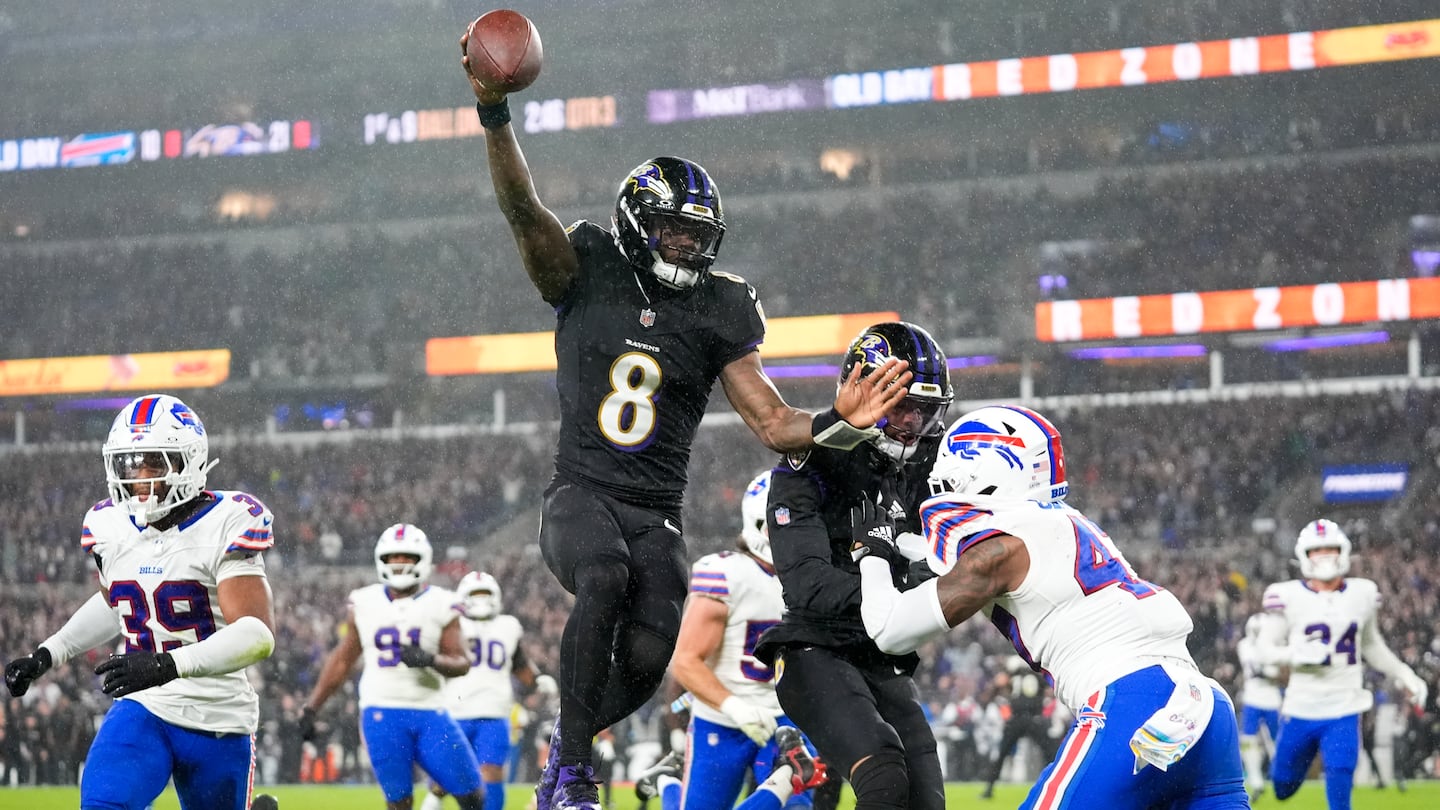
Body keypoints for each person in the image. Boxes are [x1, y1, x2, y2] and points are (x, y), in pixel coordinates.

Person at [459, 29, 912, 810]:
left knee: (650, 650)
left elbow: (773, 424)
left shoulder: (719, 306)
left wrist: (843, 419)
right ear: (639, 224)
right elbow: (520, 207)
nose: (688, 246)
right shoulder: (587, 263)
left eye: (699, 236)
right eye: (675, 231)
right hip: (581, 494)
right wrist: (493, 114)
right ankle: (572, 773)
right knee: (601, 577)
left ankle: (562, 750)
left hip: (656, 512)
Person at [853, 404, 1249, 809]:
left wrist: (872, 553)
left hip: (1135, 703)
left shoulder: (1000, 550)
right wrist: (900, 543)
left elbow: (889, 630)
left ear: (979, 472)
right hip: (1208, 708)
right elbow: (959, 562)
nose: (940, 485)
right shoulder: (1064, 523)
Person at [2, 393, 280, 810]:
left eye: (153, 462)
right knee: (103, 804)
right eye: (129, 464)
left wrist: (167, 665)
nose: (138, 477)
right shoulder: (108, 525)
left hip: (217, 716)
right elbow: (116, 603)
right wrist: (48, 654)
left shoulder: (229, 521)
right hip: (145, 707)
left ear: (189, 462)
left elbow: (257, 635)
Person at [754, 322, 954, 810]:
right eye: (900, 405)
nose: (911, 424)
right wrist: (891, 579)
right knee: (884, 778)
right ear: (861, 390)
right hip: (813, 650)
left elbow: (950, 562)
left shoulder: (926, 465)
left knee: (926, 800)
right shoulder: (809, 466)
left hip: (879, 658)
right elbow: (809, 588)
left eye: (924, 411)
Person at [638, 471, 829, 810]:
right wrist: (735, 707)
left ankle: (787, 775)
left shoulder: (818, 577)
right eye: (786, 521)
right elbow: (685, 660)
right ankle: (669, 778)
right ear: (760, 524)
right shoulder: (727, 574)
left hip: (790, 719)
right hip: (723, 720)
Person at [299, 524, 486, 810]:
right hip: (381, 712)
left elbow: (462, 662)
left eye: (407, 557)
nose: (399, 563)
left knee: (472, 795)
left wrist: (430, 660)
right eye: (393, 557)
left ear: (422, 559)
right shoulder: (364, 601)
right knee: (400, 803)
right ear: (381, 560)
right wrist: (312, 707)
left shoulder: (442, 602)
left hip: (429, 712)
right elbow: (342, 660)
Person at [1255, 519, 1428, 810]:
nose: (1324, 555)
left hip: (1344, 705)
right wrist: (1295, 654)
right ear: (1303, 555)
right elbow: (1265, 649)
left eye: (1330, 547)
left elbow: (1371, 645)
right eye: (1316, 549)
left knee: (1340, 778)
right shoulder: (1287, 595)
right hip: (1301, 706)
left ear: (1343, 550)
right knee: (1282, 786)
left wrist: (1404, 673)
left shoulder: (1362, 593)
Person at [420, 571, 557, 810]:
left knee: (491, 772)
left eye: (485, 594)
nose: (481, 600)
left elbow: (520, 664)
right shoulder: (453, 623)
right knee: (445, 773)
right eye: (475, 594)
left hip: (494, 713)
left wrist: (536, 681)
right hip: (455, 710)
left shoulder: (507, 626)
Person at [980, 656, 1057, 799]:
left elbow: (999, 685)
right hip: (1034, 718)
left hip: (1017, 719)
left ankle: (989, 788)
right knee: (1050, 752)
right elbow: (1048, 689)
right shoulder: (1037, 674)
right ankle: (1057, 783)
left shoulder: (1013, 675)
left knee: (1002, 753)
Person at [1236, 613, 1283, 801]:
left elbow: (1272, 672)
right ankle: (1256, 781)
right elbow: (1267, 672)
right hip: (1257, 697)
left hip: (1268, 698)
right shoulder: (1246, 646)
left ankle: (1279, 776)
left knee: (1276, 741)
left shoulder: (1248, 645)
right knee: (1248, 741)